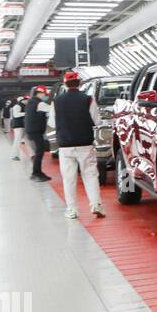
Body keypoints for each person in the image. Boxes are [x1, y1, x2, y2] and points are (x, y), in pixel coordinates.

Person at [53, 71, 105, 220]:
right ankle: (96, 204)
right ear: (80, 83)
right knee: (90, 175)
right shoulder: (88, 99)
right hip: (85, 144)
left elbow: (51, 122)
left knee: (69, 179)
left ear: (64, 84)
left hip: (65, 145)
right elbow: (98, 121)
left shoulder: (57, 101)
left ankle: (72, 210)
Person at [24, 85, 53, 182]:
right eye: (45, 94)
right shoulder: (38, 103)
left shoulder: (31, 102)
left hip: (32, 130)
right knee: (39, 152)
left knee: (39, 152)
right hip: (35, 131)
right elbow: (52, 109)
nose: (46, 96)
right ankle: (35, 173)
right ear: (40, 93)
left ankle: (38, 172)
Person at [9, 95, 27, 160]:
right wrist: (26, 113)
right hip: (18, 126)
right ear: (22, 100)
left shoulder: (24, 106)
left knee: (26, 141)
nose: (27, 101)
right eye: (26, 100)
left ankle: (32, 154)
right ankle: (14, 155)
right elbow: (16, 115)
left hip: (23, 125)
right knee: (17, 141)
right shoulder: (17, 106)